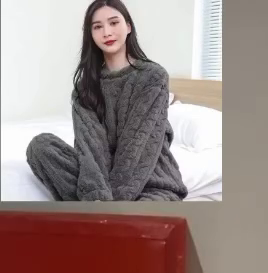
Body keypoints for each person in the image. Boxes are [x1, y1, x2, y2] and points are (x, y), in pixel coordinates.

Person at [26, 1, 187, 203]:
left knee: (136, 215)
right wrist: (97, 196)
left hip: (152, 184)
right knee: (40, 147)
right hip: (102, 186)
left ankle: (94, 212)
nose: (107, 32)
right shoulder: (84, 88)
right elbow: (91, 147)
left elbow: (137, 147)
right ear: (91, 34)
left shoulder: (153, 77)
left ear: (128, 26)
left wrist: (108, 207)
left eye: (113, 23)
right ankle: (97, 208)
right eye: (97, 27)